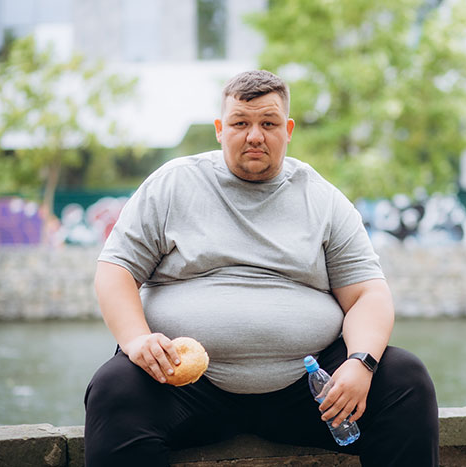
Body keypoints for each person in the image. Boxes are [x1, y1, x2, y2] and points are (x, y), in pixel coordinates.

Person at [84, 70, 439, 466]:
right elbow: (115, 269)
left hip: (309, 394)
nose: (255, 135)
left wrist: (361, 362)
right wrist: (135, 340)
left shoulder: (323, 199)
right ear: (220, 129)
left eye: (268, 123)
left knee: (406, 380)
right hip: (183, 387)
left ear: (287, 130)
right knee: (114, 387)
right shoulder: (172, 185)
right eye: (240, 123)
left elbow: (368, 294)